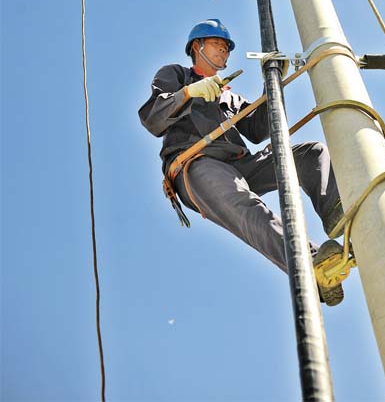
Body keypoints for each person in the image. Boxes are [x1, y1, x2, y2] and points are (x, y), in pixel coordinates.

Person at [138, 18, 346, 306]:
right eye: (217, 44)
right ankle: (311, 266)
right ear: (197, 46)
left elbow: (258, 129)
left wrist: (271, 85)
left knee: (310, 153)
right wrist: (188, 93)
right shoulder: (176, 74)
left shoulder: (229, 95)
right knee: (247, 205)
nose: (224, 51)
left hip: (240, 164)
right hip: (197, 163)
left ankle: (337, 215)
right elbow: (153, 117)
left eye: (226, 48)